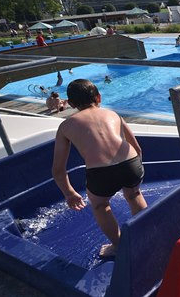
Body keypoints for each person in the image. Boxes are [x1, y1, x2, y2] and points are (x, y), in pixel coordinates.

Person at [52, 79, 147, 258]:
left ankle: (118, 246)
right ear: (99, 97)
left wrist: (69, 192)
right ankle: (145, 232)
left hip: (101, 172)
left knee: (101, 205)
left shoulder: (65, 126)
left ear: (71, 104)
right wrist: (136, 169)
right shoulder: (113, 114)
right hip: (130, 162)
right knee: (134, 194)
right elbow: (137, 147)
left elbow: (58, 169)